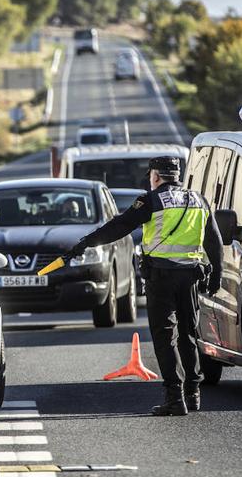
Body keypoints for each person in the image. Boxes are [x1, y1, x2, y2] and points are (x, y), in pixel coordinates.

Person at [68, 156, 223, 416]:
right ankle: (193, 394)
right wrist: (216, 276)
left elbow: (119, 226)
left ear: (155, 176)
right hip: (190, 276)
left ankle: (174, 398)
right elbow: (215, 240)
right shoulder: (198, 200)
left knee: (165, 336)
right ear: (177, 176)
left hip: (161, 277)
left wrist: (86, 242)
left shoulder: (151, 200)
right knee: (188, 334)